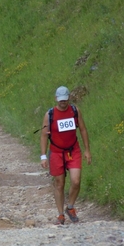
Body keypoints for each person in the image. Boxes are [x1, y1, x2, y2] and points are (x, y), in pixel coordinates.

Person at [40, 86, 92, 225]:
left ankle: (70, 207)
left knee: (76, 181)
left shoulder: (75, 111)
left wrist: (87, 150)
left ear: (69, 98)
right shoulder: (49, 114)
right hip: (56, 152)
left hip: (73, 150)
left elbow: (83, 129)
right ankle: (60, 214)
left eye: (65, 100)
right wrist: (43, 155)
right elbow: (44, 135)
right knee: (59, 183)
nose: (63, 102)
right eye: (60, 100)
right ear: (56, 99)